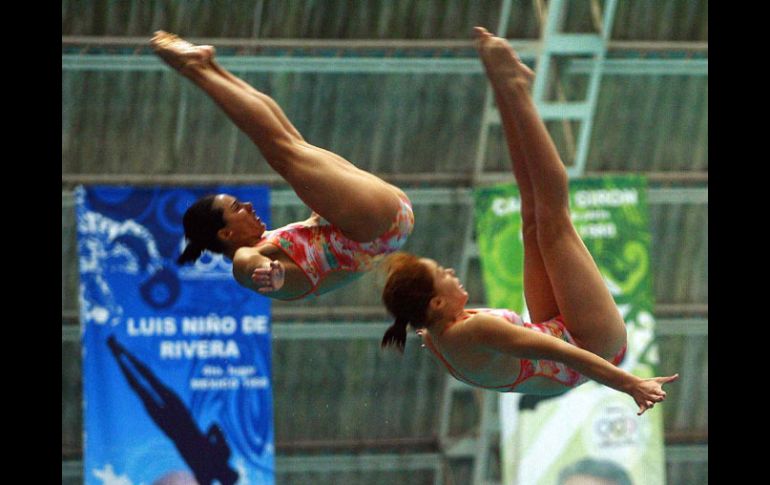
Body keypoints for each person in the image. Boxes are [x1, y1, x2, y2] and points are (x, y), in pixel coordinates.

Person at [380, 27, 677, 416]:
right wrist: (631, 385)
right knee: (554, 220)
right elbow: (565, 353)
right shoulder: (471, 330)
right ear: (437, 301)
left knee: (532, 217)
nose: (452, 272)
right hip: (593, 343)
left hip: (554, 327)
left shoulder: (434, 331)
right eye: (443, 274)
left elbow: (422, 317)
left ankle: (504, 86)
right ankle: (514, 87)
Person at [151, 31, 414, 300]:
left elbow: (321, 247)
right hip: (372, 225)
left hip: (379, 223)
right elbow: (249, 265)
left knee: (289, 142)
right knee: (283, 150)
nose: (249, 206)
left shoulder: (269, 241)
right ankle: (197, 68)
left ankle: (208, 65)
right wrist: (270, 273)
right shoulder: (245, 258)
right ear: (226, 233)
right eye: (237, 208)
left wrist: (320, 205)